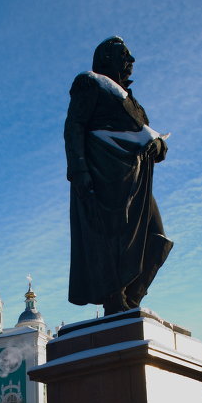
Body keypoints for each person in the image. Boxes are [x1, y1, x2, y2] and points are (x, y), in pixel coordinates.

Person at [64, 37, 173, 315]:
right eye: (124, 55)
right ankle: (115, 300)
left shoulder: (132, 103)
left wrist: (159, 144)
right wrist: (79, 170)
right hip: (104, 174)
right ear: (106, 59)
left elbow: (152, 139)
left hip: (136, 178)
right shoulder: (90, 83)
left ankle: (131, 302)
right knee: (110, 238)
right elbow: (74, 126)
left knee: (157, 238)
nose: (131, 61)